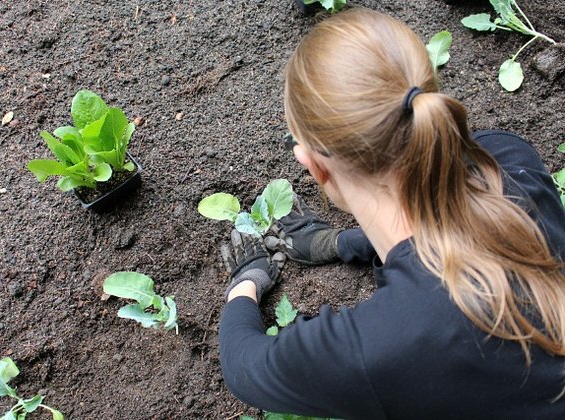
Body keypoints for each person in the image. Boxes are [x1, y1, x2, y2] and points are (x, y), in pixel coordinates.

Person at [218, 7, 565, 420]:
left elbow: (246, 366)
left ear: (312, 163)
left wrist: (247, 282)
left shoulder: (382, 346)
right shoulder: (507, 158)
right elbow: (447, 212)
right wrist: (337, 243)